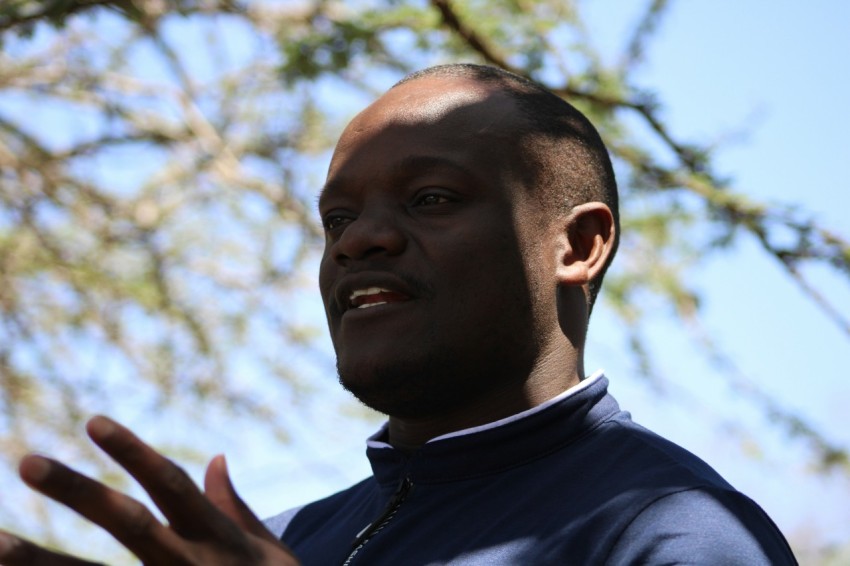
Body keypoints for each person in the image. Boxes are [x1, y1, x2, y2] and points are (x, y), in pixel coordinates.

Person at [0, 64, 797, 565]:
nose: (361, 241)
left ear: (577, 244)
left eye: (431, 199)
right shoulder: (278, 542)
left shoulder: (674, 534)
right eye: (337, 219)